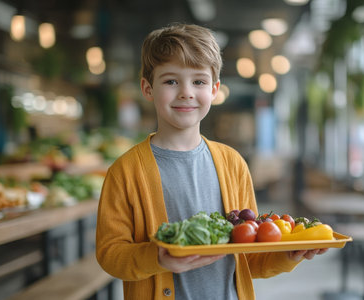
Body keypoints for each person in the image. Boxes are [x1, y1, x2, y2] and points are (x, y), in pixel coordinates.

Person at [95, 23, 328, 300]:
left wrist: (289, 256)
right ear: (148, 88)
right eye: (171, 81)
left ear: (215, 89)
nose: (186, 92)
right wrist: (156, 257)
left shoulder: (233, 164)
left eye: (199, 81)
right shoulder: (125, 171)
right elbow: (110, 254)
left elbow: (248, 258)